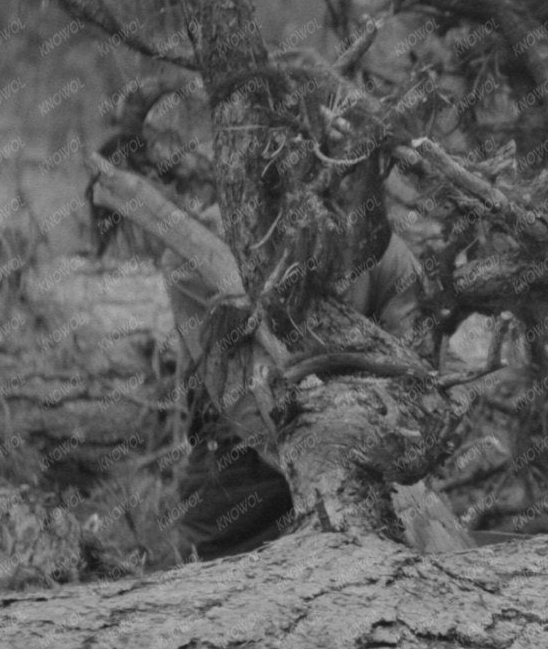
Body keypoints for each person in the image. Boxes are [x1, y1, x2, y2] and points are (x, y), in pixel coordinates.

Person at [164, 232, 425, 559]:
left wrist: (390, 448)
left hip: (366, 458)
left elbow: (424, 369)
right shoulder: (197, 247)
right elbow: (240, 398)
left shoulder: (381, 245)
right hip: (244, 468)